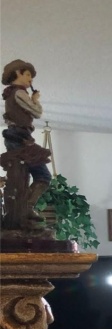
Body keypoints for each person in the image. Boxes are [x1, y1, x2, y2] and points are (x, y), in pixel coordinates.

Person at [2, 59, 52, 228]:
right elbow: (37, 112)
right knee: (43, 176)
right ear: (18, 74)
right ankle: (26, 208)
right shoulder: (19, 93)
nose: (31, 79)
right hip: (20, 137)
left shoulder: (11, 93)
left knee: (21, 173)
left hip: (16, 136)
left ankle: (23, 209)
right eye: (28, 74)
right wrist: (35, 99)